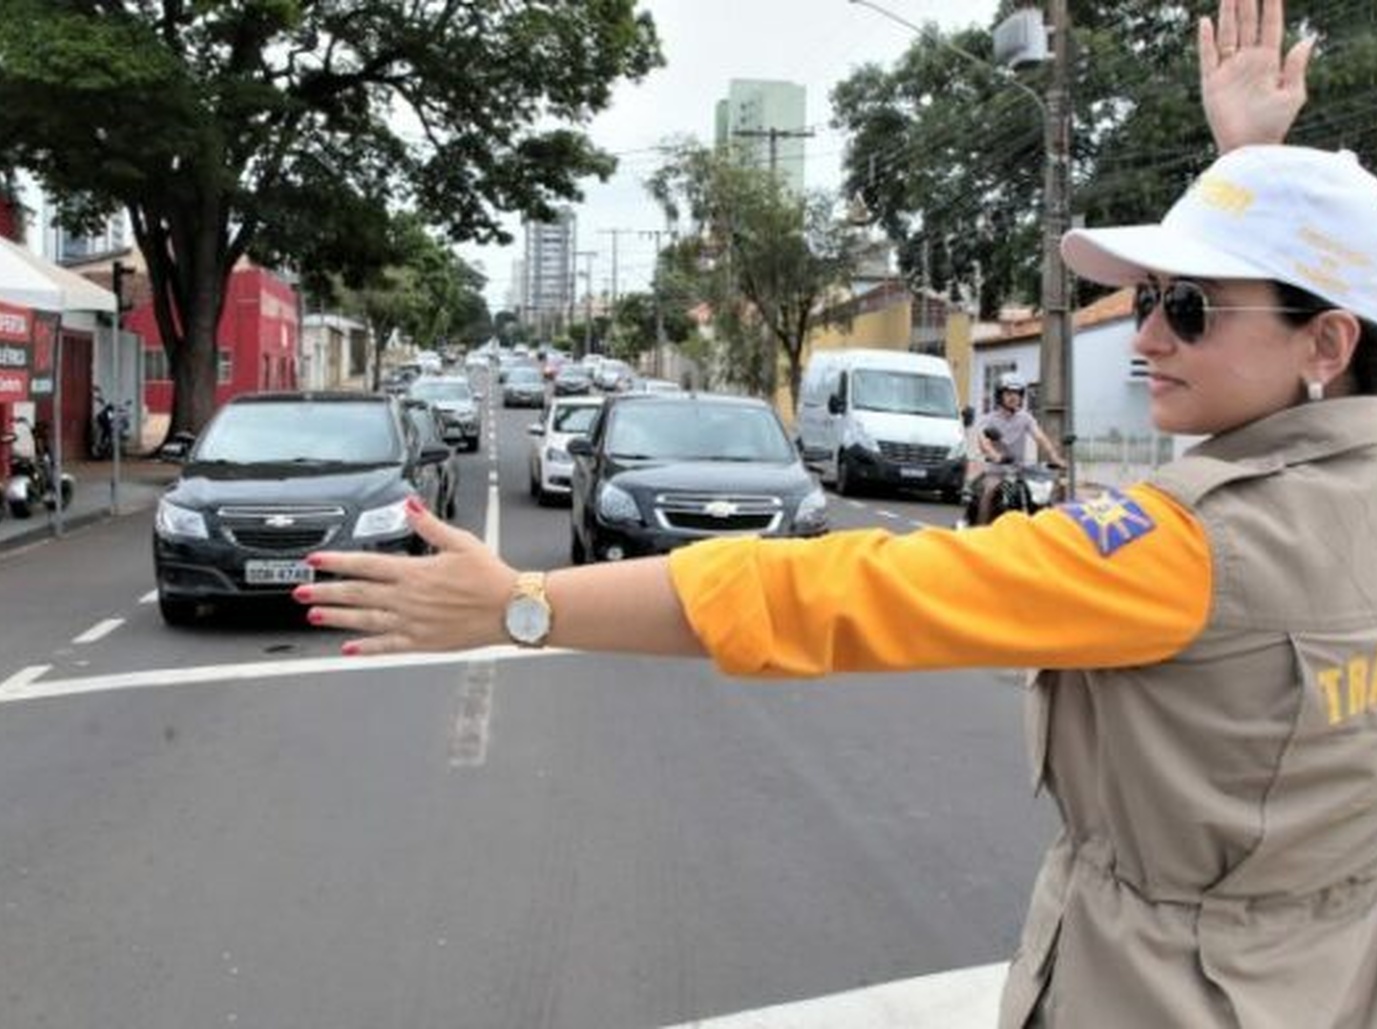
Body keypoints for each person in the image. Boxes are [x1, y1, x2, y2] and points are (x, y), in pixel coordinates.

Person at [295, 2, 1377, 1025]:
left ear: (1327, 346)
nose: (1146, 338)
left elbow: (837, 591)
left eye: (1185, 308)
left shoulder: (1186, 550)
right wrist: (1252, 175)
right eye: (1144, 298)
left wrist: (524, 603)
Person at [965, 371, 1067, 524]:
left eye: (1017, 394)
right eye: (1008, 393)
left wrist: (1055, 458)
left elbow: (1040, 437)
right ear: (1000, 396)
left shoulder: (1025, 418)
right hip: (996, 471)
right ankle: (981, 530)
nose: (1013, 397)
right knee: (988, 493)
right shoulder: (989, 419)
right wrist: (996, 456)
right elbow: (984, 442)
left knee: (1045, 496)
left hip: (1020, 471)